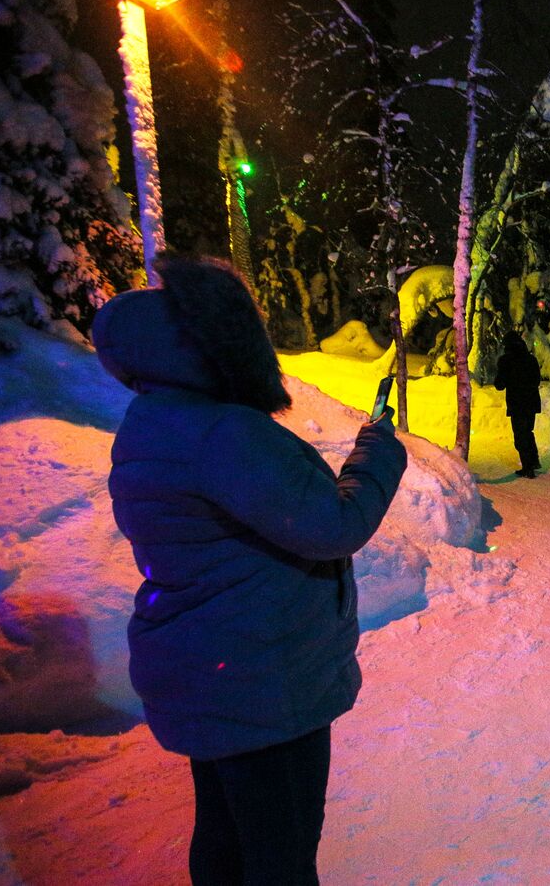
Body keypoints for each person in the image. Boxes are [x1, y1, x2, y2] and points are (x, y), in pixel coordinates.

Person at [91, 257, 407, 885]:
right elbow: (330, 527)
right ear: (212, 345)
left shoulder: (159, 421)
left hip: (219, 668)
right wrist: (376, 451)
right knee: (279, 854)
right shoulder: (219, 432)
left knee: (231, 836)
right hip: (263, 676)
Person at [494, 331, 542, 478]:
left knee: (520, 436)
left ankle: (528, 468)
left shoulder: (506, 361)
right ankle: (533, 461)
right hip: (531, 402)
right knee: (528, 432)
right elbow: (536, 380)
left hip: (517, 403)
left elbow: (499, 384)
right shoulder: (531, 359)